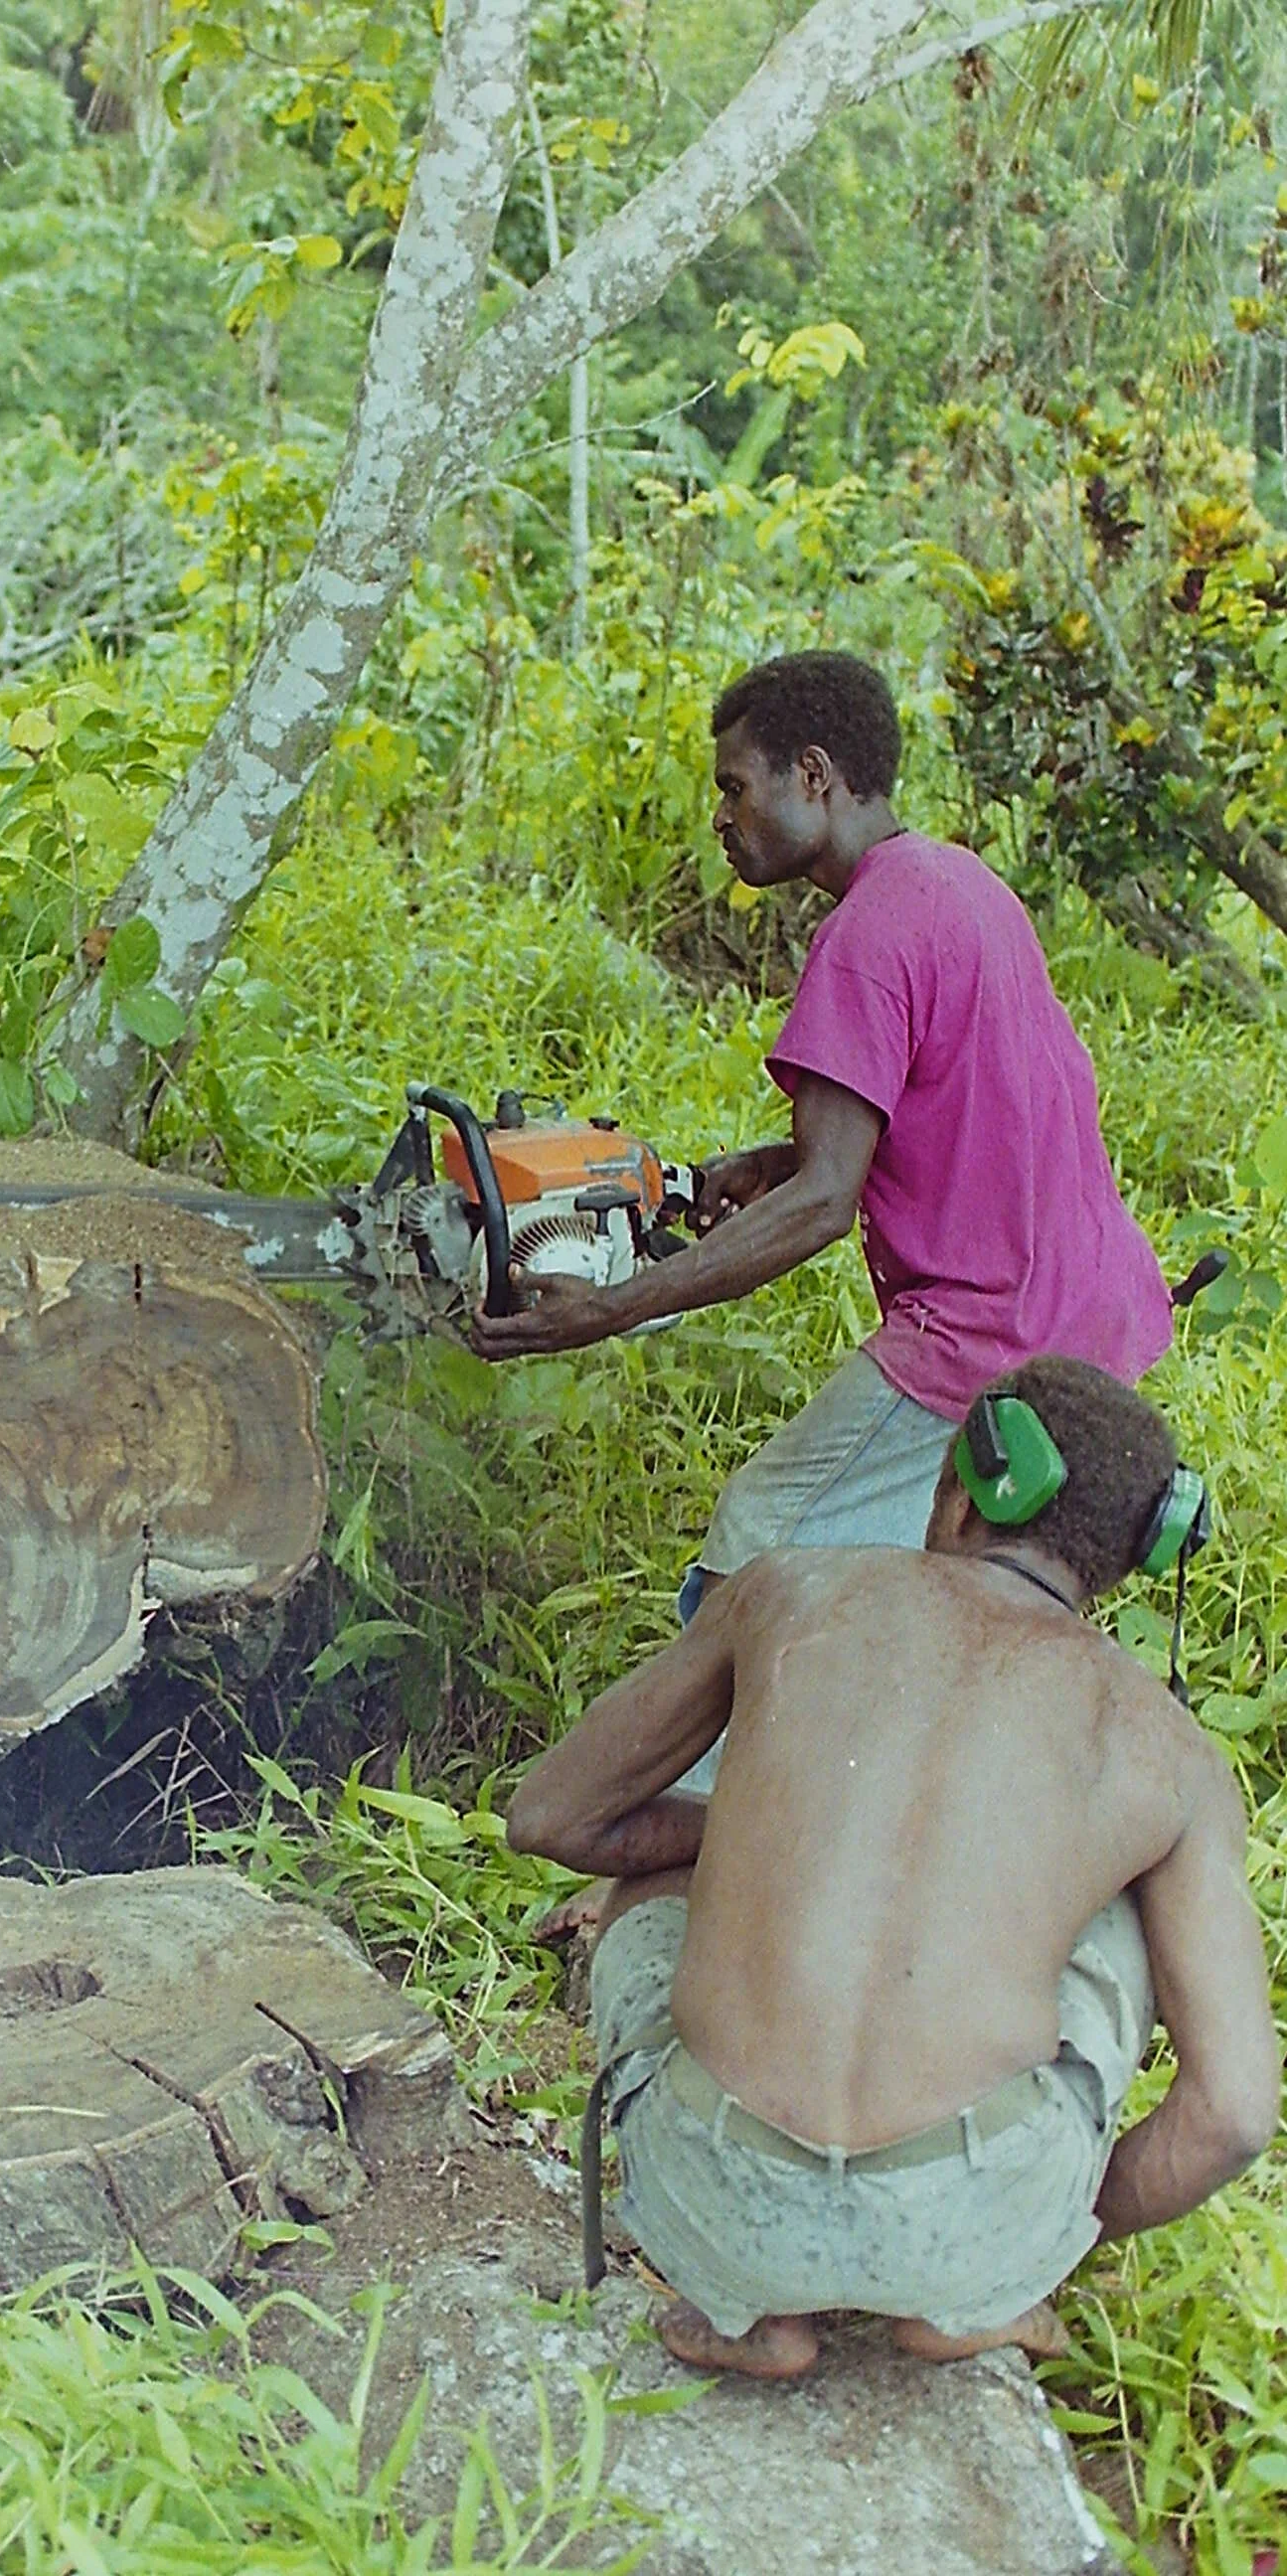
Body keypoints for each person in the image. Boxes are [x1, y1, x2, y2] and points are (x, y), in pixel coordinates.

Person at [505, 1357, 1280, 2379]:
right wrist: (1035, 2238)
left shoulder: (788, 1592)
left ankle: (756, 2317)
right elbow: (1230, 2116)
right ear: (1144, 1553)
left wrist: (749, 1827)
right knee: (1129, 1905)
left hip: (714, 2196)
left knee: (644, 1889)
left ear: (965, 1486)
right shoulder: (1170, 1751)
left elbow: (550, 1815)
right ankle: (975, 2298)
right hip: (973, 2224)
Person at [472, 652, 1174, 1631]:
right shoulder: (958, 883)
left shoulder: (863, 934)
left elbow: (821, 1208)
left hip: (986, 1334)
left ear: (812, 775)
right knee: (959, 1605)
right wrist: (780, 1158)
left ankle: (709, 1788)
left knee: (759, 1552)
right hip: (1092, 1316)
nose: (722, 817)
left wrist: (611, 1310)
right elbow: (961, 1105)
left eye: (733, 786)